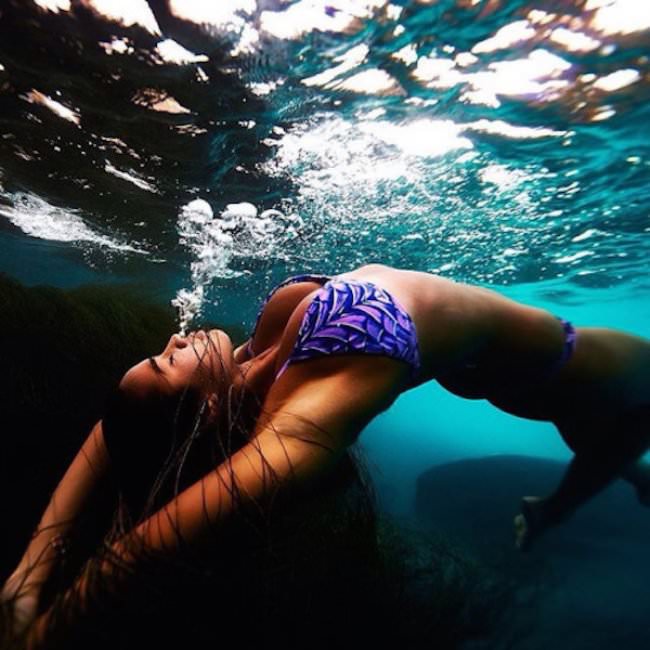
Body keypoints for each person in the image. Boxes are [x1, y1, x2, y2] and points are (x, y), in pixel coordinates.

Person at [4, 263, 650, 645]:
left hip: (508, 372)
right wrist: (43, 637)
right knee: (617, 426)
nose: (171, 340)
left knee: (603, 442)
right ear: (204, 411)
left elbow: (118, 430)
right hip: (580, 365)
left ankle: (589, 491)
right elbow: (145, 548)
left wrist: (26, 581)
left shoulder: (241, 378)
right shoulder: (301, 425)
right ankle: (558, 508)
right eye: (165, 362)